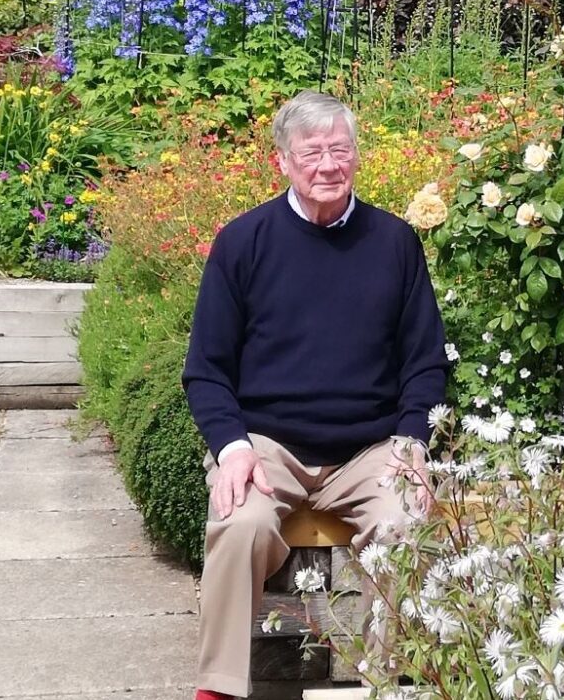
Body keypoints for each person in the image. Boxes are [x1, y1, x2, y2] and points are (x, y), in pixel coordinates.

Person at [182, 90, 449, 700]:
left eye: (340, 149)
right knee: (240, 523)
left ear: (356, 154)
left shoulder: (395, 242)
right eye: (311, 153)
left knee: (407, 523)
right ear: (282, 161)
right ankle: (217, 690)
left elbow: (425, 361)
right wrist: (231, 447)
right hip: (269, 446)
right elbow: (206, 370)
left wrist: (413, 441)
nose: (328, 165)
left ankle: (387, 685)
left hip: (370, 450)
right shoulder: (243, 242)